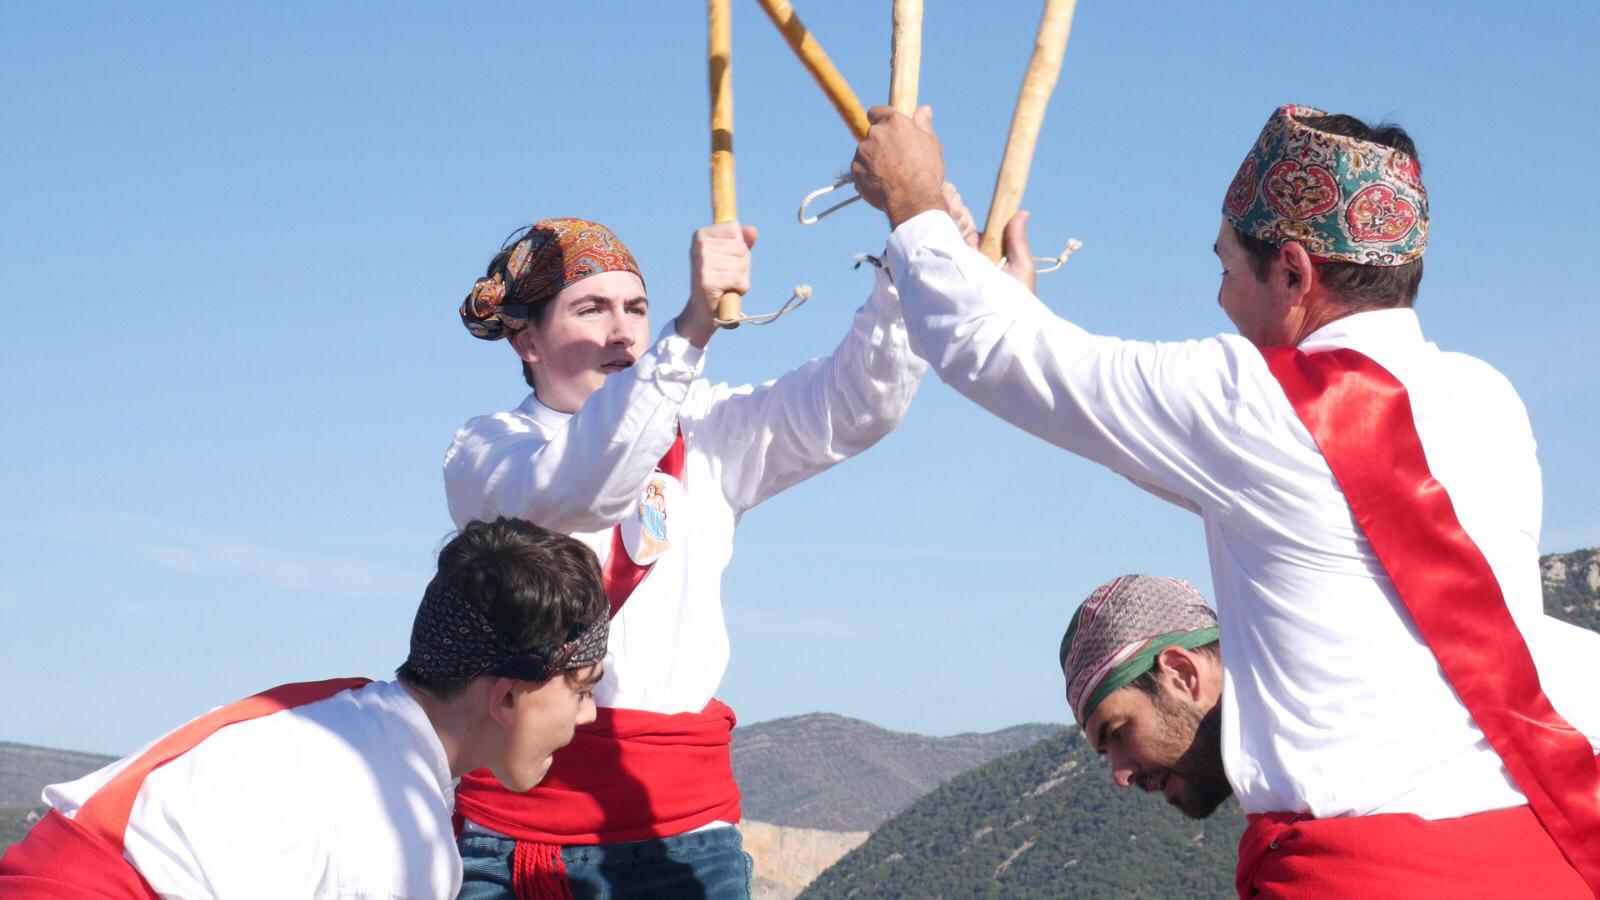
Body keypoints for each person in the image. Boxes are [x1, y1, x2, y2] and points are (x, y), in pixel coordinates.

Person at [850, 103, 1600, 896]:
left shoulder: (1257, 405)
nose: (1220, 302)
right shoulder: (1490, 405)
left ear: (1293, 273)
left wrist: (914, 201)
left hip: (1368, 877)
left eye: (1226, 269)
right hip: (1537, 858)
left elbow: (999, 353)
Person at [442, 202, 966, 897]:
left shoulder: (711, 430)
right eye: (590, 307)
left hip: (683, 832)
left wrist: (909, 256)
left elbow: (855, 404)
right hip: (514, 841)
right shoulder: (487, 451)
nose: (622, 330)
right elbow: (579, 487)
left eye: (636, 307)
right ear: (526, 342)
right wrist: (686, 332)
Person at [0, 517, 609, 900]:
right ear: (506, 697)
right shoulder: (401, 834)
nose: (587, 717)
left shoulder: (342, 714)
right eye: (582, 689)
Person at [1058, 575, 1230, 821]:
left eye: (1119, 732)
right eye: (1107, 753)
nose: (1121, 776)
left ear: (1182, 674)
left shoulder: (1299, 801)